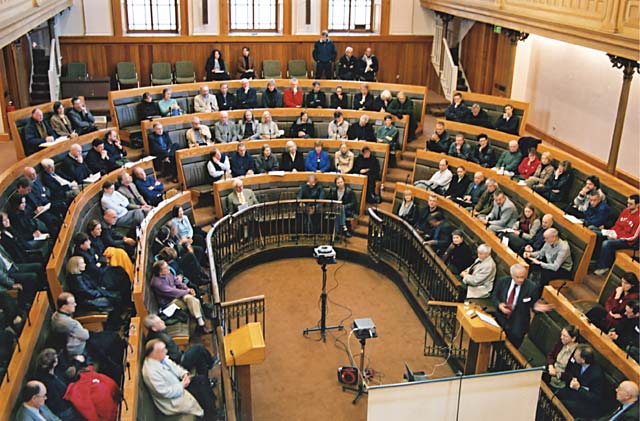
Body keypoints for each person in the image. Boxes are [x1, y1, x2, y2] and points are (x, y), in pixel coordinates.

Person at [142, 339, 213, 419]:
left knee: (202, 381)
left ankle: (212, 409)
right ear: (155, 354)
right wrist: (182, 384)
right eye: (163, 350)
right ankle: (210, 416)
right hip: (173, 400)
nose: (166, 351)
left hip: (178, 384)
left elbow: (174, 367)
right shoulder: (150, 373)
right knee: (202, 389)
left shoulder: (160, 358)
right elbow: (165, 392)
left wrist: (184, 374)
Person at [491, 263, 552, 347]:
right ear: (512, 275)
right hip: (501, 320)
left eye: (523, 277)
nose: (521, 280)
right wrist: (499, 305)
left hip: (518, 324)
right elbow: (494, 296)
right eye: (518, 277)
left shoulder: (531, 287)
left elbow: (533, 303)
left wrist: (536, 307)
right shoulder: (503, 281)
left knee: (511, 350)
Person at [150, 260, 211, 334]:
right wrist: (187, 291)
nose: (169, 268)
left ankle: (200, 324)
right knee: (193, 300)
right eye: (166, 268)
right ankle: (201, 324)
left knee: (191, 299)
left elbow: (176, 281)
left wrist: (187, 288)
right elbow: (172, 292)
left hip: (177, 297)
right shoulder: (158, 283)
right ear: (160, 272)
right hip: (169, 304)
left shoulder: (167, 273)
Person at [144, 314, 214, 377]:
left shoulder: (152, 335)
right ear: (154, 328)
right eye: (159, 322)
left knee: (200, 359)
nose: (162, 322)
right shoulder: (163, 339)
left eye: (161, 320)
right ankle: (211, 363)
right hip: (178, 364)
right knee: (198, 348)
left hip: (173, 361)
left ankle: (204, 379)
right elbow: (177, 357)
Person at [594, 194, 640, 275]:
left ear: (638, 205)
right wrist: (611, 232)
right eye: (627, 203)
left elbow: (634, 237)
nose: (628, 205)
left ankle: (603, 266)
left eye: (631, 204)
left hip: (628, 242)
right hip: (615, 234)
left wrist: (618, 237)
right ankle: (594, 259)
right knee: (596, 233)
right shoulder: (625, 211)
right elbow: (617, 225)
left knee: (607, 243)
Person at [556, 344, 605, 418]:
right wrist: (572, 378)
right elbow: (571, 372)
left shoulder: (597, 375)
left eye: (576, 355)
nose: (574, 356)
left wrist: (579, 388)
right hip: (573, 392)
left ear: (583, 360)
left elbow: (595, 398)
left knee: (562, 404)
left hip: (585, 402)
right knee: (557, 394)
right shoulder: (577, 363)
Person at [33, 348, 80, 420]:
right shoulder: (47, 382)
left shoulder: (54, 372)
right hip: (65, 410)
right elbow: (57, 403)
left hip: (68, 399)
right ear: (54, 363)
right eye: (56, 358)